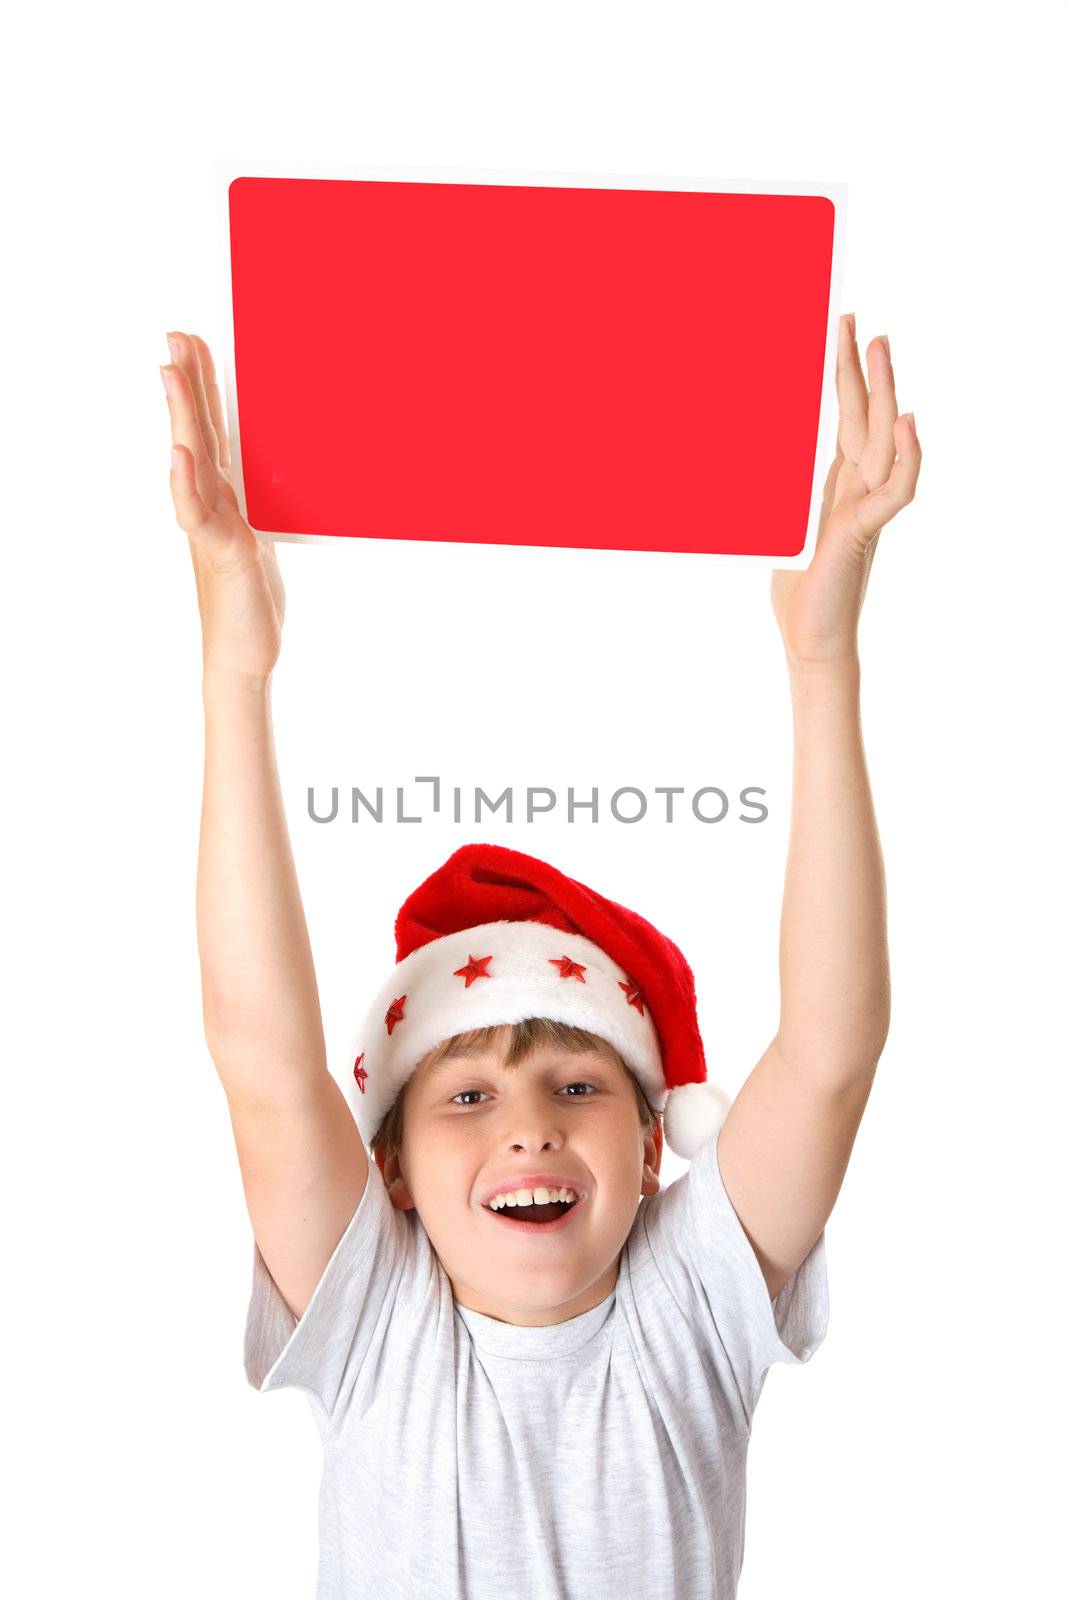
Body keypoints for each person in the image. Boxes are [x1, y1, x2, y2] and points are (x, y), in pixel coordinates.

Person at [160, 315, 921, 1599]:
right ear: (387, 1168)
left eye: (578, 1085)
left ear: (645, 1148)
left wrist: (818, 657)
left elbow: (830, 1054)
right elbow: (265, 1061)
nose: (529, 1129)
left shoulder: (690, 1305)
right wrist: (237, 669)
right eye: (465, 1094)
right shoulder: (372, 1325)